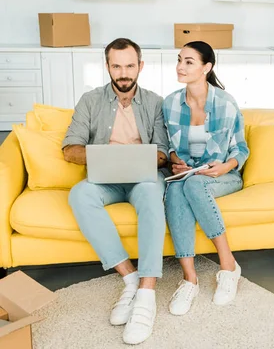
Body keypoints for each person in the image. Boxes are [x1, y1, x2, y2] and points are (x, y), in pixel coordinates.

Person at [63, 38, 169, 345]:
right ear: (107, 66)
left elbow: (162, 152)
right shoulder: (90, 100)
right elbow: (70, 149)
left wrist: (144, 158)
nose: (124, 73)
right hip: (104, 180)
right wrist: (103, 157)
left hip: (143, 180)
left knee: (151, 194)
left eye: (130, 66)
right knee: (79, 194)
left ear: (141, 66)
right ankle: (129, 276)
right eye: (117, 66)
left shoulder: (155, 102)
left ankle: (147, 293)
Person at [162, 41, 249, 316]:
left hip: (221, 176)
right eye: (179, 59)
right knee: (177, 189)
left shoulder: (225, 103)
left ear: (206, 67)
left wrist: (226, 166)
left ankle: (228, 266)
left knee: (195, 183)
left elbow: (240, 149)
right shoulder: (171, 103)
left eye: (189, 61)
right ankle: (190, 279)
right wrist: (175, 161)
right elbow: (168, 147)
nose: (180, 66)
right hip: (187, 175)